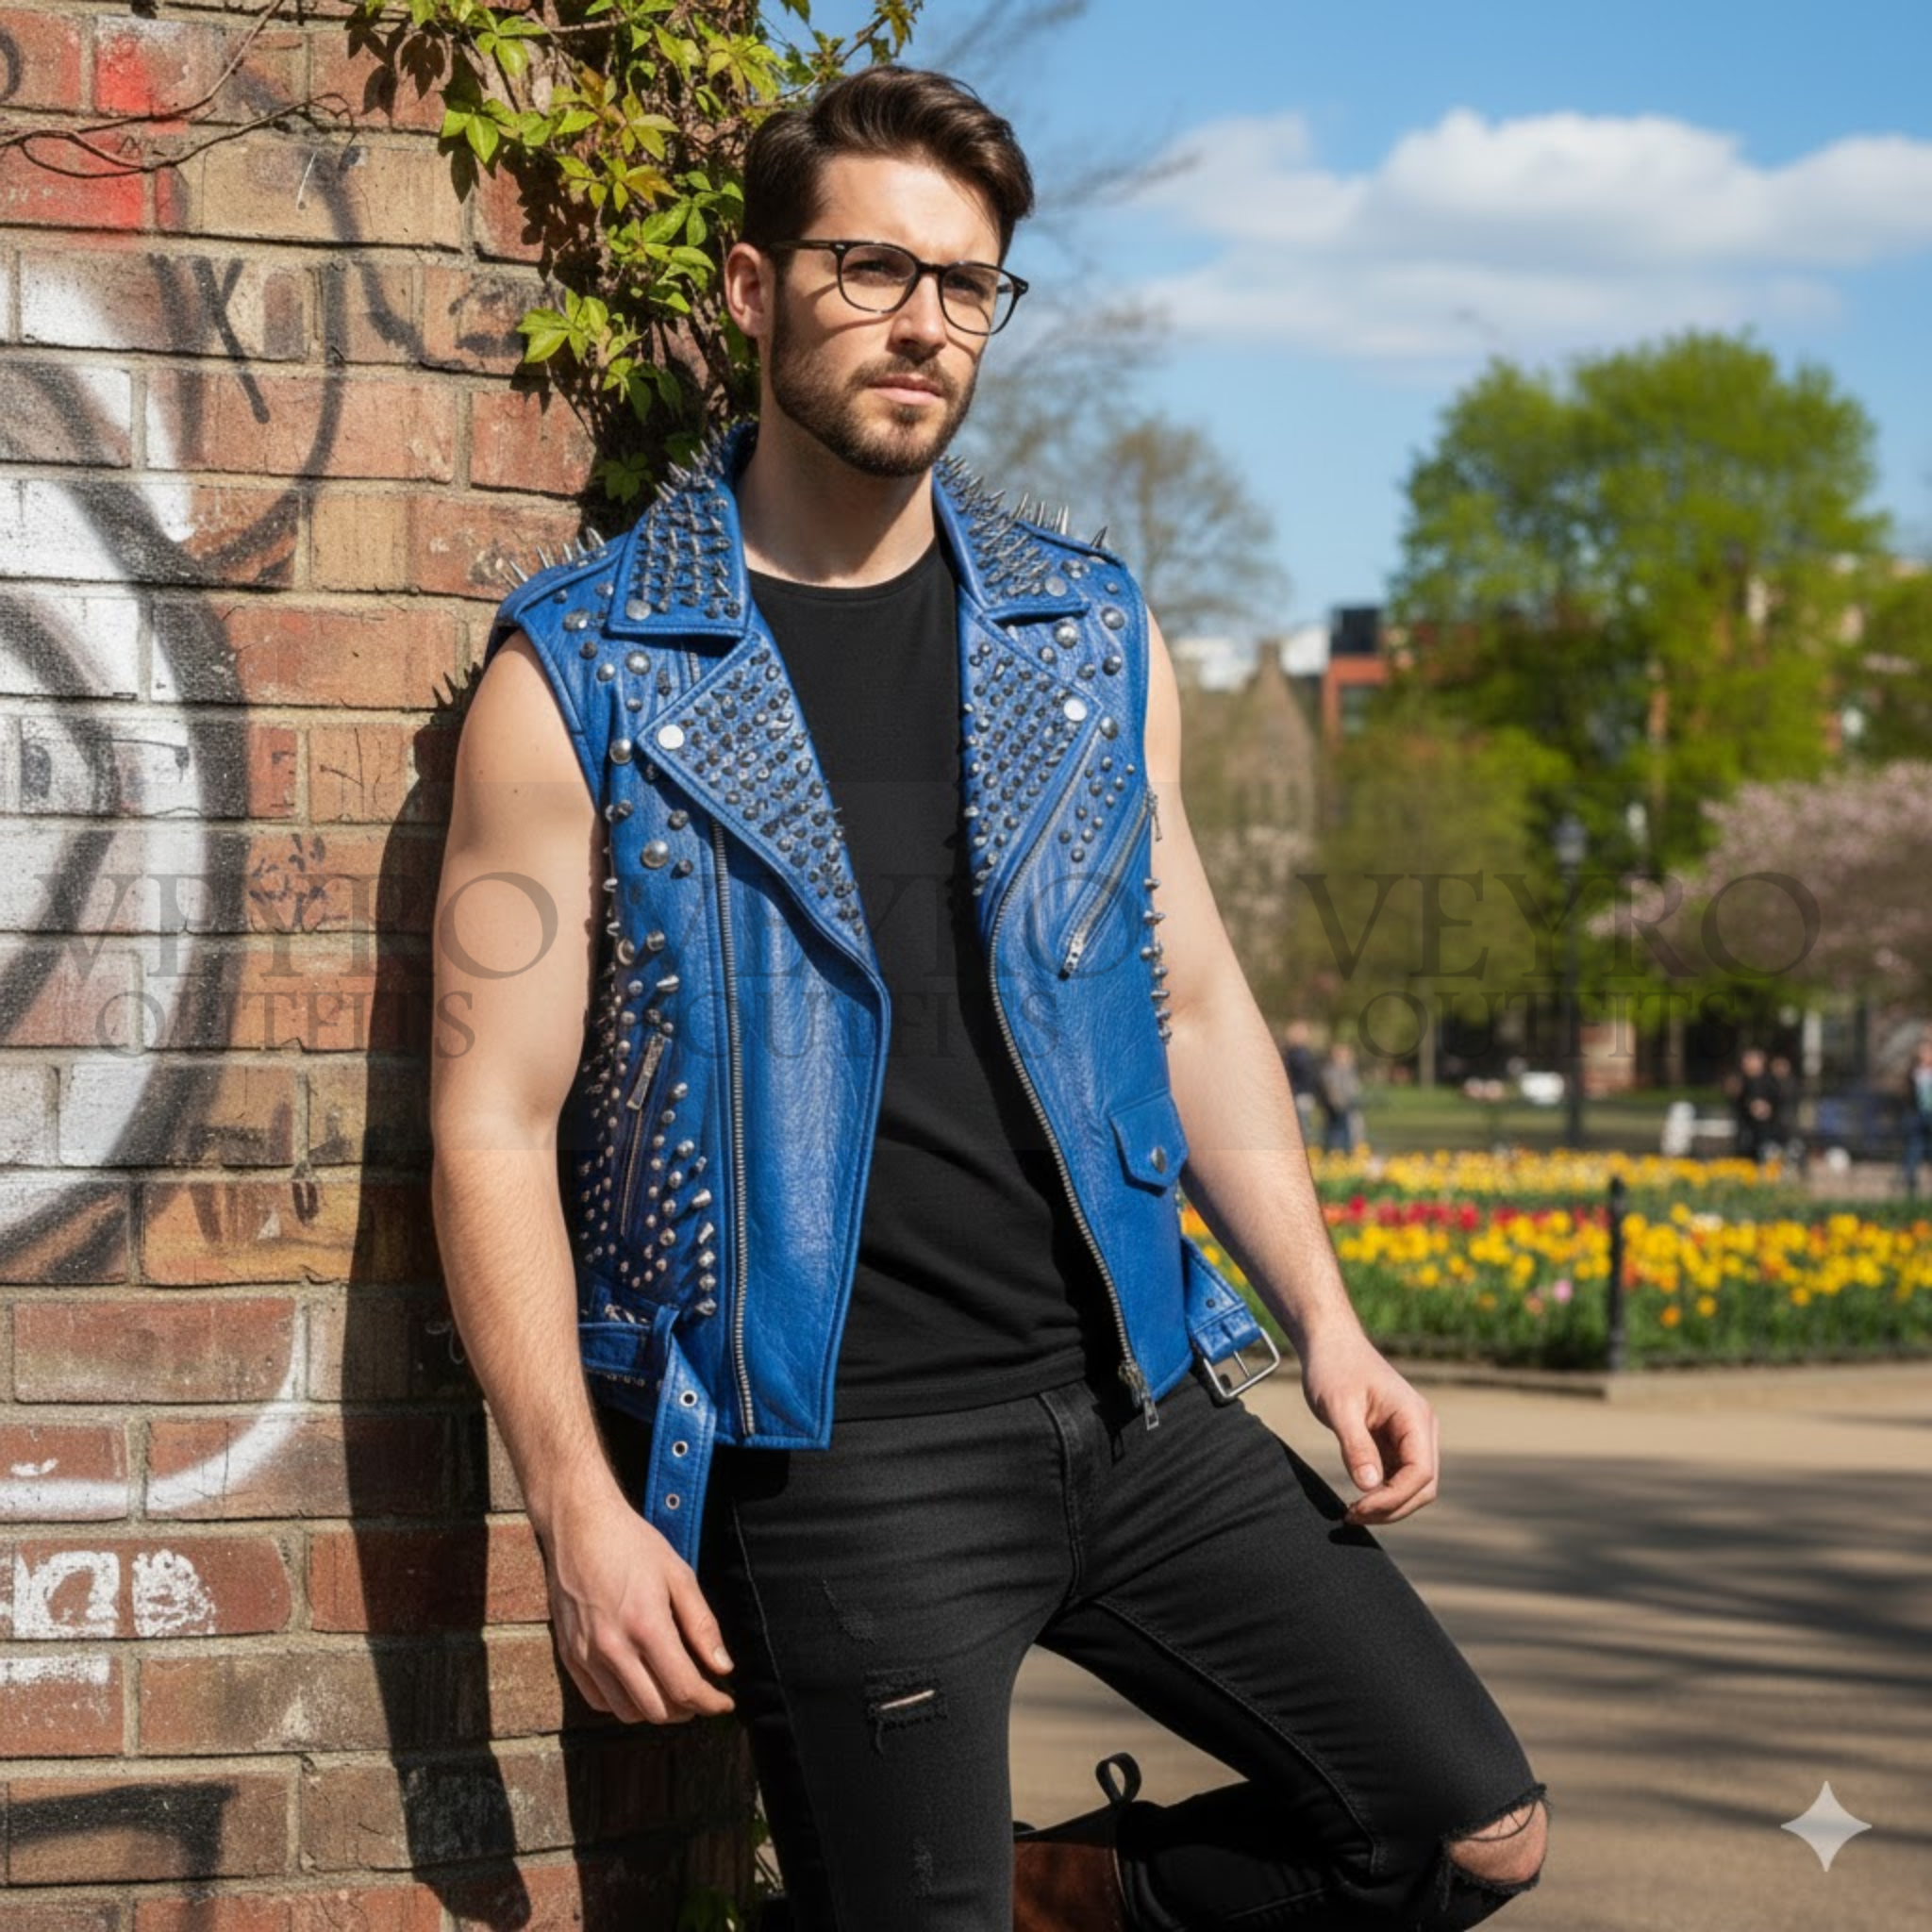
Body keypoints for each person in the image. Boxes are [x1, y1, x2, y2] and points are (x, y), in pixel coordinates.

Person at [430, 64, 1547, 1932]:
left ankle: (1070, 1897)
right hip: (841, 1461)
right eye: (871, 268)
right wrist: (573, 1501)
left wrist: (1326, 1320)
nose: (924, 322)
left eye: (967, 283)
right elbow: (489, 1118)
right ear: (749, 285)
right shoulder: (588, 677)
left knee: (1461, 1830)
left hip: (1134, 1407)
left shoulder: (1084, 639)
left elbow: (1191, 999)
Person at [1728, 1046, 1780, 1164]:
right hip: (1745, 1132)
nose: (1748, 1063)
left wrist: (1767, 1108)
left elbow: (1779, 1103)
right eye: (1746, 1060)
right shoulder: (1740, 1080)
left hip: (1767, 1132)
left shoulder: (1770, 1081)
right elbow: (1735, 1100)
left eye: (1752, 1059)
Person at [1318, 1041, 1366, 1157]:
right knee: (1336, 1133)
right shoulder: (1330, 1071)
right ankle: (1336, 1153)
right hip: (1337, 1110)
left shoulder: (1350, 1071)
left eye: (1347, 1056)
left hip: (1351, 1109)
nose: (1344, 1059)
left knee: (1355, 1130)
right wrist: (1337, 1102)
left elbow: (1355, 1090)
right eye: (1340, 1056)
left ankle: (1349, 1153)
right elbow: (1331, 1090)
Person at [1279, 1018, 1322, 1148]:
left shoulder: (1300, 1053)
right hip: (1298, 1094)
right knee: (1301, 1127)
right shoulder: (1295, 1054)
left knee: (1303, 1126)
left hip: (1302, 1094)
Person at [1902, 1034, 1932, 1196]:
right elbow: (1907, 1094)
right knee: (1915, 1148)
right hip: (1918, 1115)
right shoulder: (1914, 1072)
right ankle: (1910, 1181)